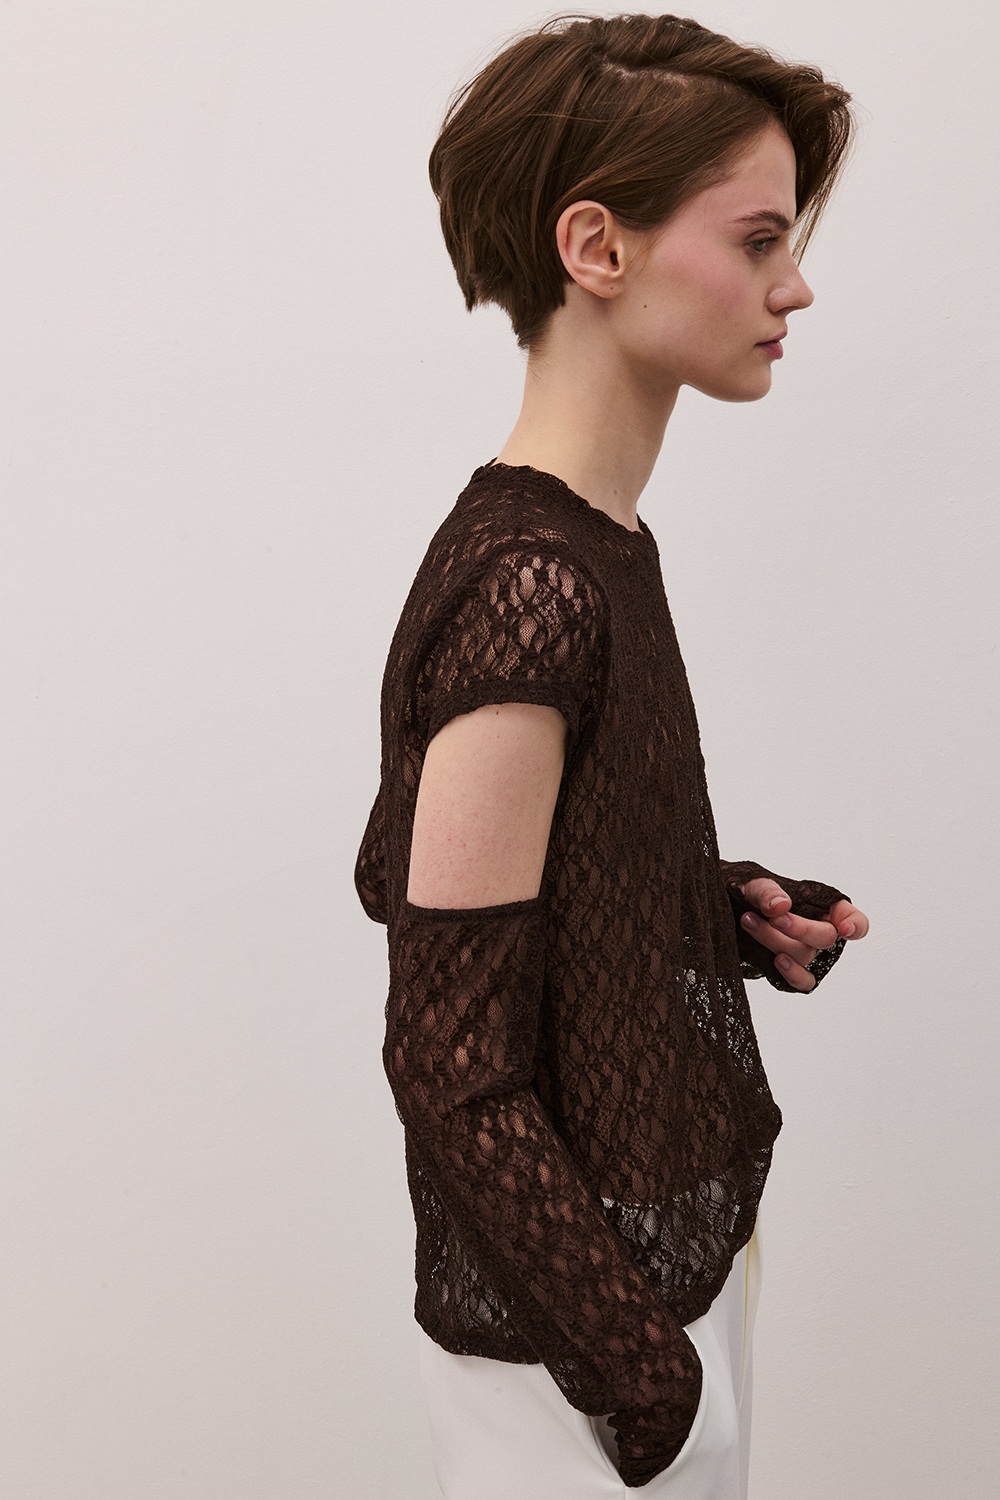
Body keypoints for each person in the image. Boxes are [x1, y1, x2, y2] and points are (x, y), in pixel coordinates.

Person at [355, 12, 870, 1497]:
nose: (794, 284)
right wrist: (647, 1383)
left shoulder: (593, 542)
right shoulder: (533, 584)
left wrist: (713, 909)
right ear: (597, 247)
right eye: (759, 239)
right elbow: (447, 1056)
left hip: (653, 1287)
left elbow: (449, 877)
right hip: (578, 1357)